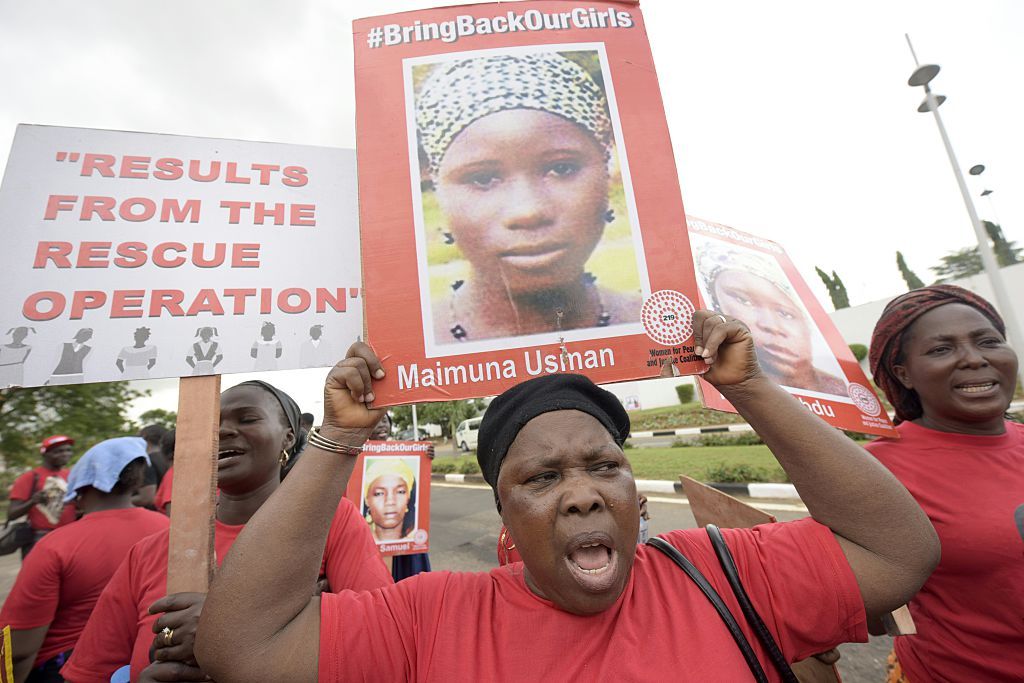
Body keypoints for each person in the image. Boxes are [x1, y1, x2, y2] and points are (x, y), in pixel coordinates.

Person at [194, 312, 940, 681]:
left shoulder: (723, 573)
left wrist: (748, 386)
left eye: (603, 467)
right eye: (541, 478)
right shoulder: (433, 616)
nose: (582, 494)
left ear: (634, 493)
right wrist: (336, 439)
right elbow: (241, 647)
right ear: (504, 513)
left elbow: (898, 551)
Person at [61, 380, 392, 683]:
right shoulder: (148, 552)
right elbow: (90, 671)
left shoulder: (329, 519)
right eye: (213, 422)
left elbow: (381, 634)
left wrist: (225, 628)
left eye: (246, 419)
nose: (222, 431)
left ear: (288, 437)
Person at [416, 51, 642, 344]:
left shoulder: (657, 329)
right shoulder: (409, 351)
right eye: (482, 178)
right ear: (437, 187)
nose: (528, 210)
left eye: (561, 168)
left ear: (605, 168)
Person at [866, 284, 1023, 682]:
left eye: (989, 341)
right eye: (941, 349)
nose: (974, 359)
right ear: (904, 373)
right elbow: (872, 612)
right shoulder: (877, 468)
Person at [0, 437, 168, 683]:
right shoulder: (169, 530)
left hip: (66, 670)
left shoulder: (56, 545)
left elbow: (19, 649)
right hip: (144, 664)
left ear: (82, 480)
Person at [696, 240, 846, 395]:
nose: (771, 325)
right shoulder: (734, 384)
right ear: (717, 303)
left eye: (785, 313)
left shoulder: (842, 390)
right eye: (744, 301)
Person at [7, 436, 78, 558]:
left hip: (70, 535)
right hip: (41, 537)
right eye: (59, 451)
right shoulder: (30, 477)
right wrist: (33, 501)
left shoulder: (71, 475)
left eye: (68, 450)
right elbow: (12, 514)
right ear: (45, 454)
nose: (65, 454)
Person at [362, 458, 417, 542]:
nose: (390, 502)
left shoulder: (416, 547)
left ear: (408, 497)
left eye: (400, 492)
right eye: (379, 493)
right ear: (367, 500)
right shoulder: (356, 544)